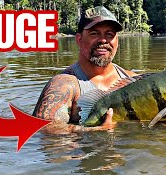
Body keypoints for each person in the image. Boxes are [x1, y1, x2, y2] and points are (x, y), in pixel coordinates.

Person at [33, 6, 137, 134]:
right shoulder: (64, 85)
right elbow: (41, 129)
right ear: (79, 39)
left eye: (109, 34)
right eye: (94, 33)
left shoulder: (133, 81)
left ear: (117, 42)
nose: (103, 40)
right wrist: (94, 130)